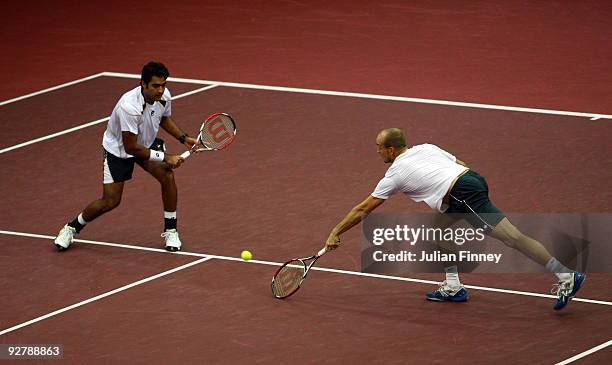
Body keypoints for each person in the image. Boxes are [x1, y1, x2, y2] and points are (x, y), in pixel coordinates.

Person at [324, 128, 586, 310]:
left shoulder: (394, 174)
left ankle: (565, 275)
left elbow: (363, 209)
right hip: (469, 181)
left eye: (379, 148)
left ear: (391, 149)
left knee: (512, 238)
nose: (377, 152)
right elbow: (459, 162)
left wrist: (336, 231)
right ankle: (453, 287)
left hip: (461, 195)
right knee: (439, 232)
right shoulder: (426, 147)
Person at [54, 61, 200, 252]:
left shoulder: (164, 96)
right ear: (143, 84)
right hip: (120, 150)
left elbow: (163, 117)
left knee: (167, 176)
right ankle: (72, 227)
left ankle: (171, 230)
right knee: (110, 201)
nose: (160, 90)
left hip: (145, 143)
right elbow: (131, 147)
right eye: (156, 85)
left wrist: (183, 137)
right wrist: (166, 157)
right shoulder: (129, 106)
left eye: (163, 84)